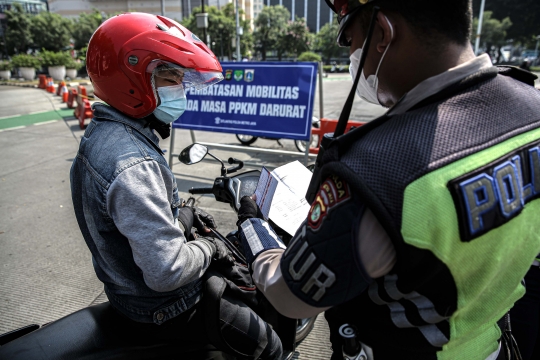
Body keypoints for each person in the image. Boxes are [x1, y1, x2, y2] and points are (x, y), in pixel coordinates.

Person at [235, 0, 540, 359]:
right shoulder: (531, 107)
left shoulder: (379, 171)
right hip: (495, 346)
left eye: (350, 40)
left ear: (382, 33)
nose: (352, 56)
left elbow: (292, 296)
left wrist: (255, 231)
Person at [70, 13, 282, 359]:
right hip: (165, 308)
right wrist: (212, 248)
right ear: (133, 77)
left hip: (127, 295)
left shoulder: (102, 135)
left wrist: (179, 219)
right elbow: (167, 272)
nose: (180, 90)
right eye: (171, 78)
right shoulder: (134, 164)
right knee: (269, 346)